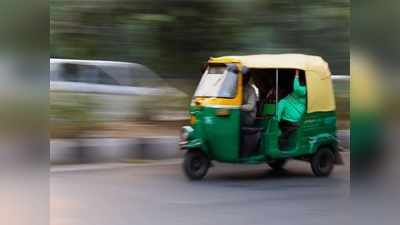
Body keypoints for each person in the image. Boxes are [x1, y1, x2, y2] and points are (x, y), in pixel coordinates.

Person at [276, 70, 306, 149]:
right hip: (289, 119)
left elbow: (297, 88)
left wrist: (296, 75)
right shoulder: (292, 96)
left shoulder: (304, 90)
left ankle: (281, 148)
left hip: (292, 120)